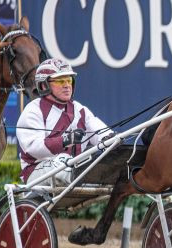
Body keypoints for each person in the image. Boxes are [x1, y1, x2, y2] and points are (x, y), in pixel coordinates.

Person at [16, 58, 113, 187]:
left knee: (95, 163)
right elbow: (33, 148)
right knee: (63, 161)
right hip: (36, 171)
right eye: (60, 81)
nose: (67, 85)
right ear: (44, 85)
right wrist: (65, 140)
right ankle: (83, 177)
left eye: (69, 80)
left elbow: (99, 131)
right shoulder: (33, 110)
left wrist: (111, 139)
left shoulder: (79, 109)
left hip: (72, 166)